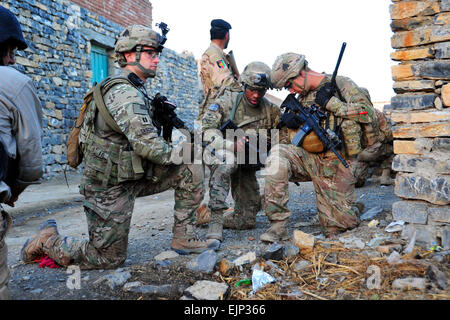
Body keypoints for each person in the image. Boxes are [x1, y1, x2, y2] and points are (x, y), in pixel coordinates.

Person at [21, 24, 220, 270]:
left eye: (157, 53)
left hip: (131, 175)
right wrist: (190, 149)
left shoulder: (135, 88)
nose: (156, 59)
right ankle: (48, 240)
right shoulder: (124, 93)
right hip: (108, 187)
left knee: (189, 165)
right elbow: (151, 148)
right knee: (106, 259)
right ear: (129, 55)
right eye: (150, 53)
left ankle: (184, 236)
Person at [262, 52, 382, 241]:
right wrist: (289, 123)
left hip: (335, 162)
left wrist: (332, 103)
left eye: (289, 85)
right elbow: (288, 138)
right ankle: (277, 226)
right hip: (305, 157)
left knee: (339, 228)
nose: (291, 91)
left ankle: (351, 209)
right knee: (277, 158)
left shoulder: (341, 84)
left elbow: (367, 114)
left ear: (300, 73)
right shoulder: (300, 98)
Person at [200, 61, 282, 242]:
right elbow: (206, 130)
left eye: (261, 91)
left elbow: (280, 138)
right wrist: (231, 145)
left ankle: (205, 215)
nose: (256, 95)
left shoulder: (270, 110)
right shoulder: (227, 101)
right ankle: (215, 220)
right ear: (244, 84)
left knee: (246, 221)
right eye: (252, 89)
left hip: (249, 159)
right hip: (223, 152)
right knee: (227, 161)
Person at [0, 6, 43, 300]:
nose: (13, 59)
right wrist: (16, 190)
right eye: (10, 49)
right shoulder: (13, 82)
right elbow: (31, 156)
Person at [196, 18, 240, 226]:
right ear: (227, 36)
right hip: (219, 112)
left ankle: (209, 207)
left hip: (212, 110)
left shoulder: (211, 54)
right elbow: (228, 84)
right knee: (220, 160)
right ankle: (211, 211)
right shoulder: (215, 56)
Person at [198, 18, 240, 120]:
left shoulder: (218, 55)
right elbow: (227, 82)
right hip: (214, 112)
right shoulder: (214, 55)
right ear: (227, 35)